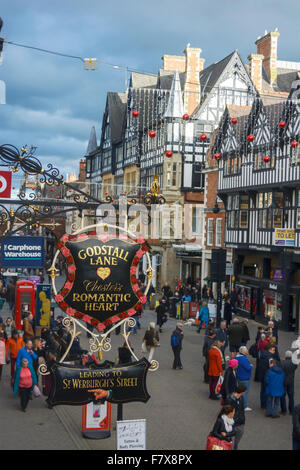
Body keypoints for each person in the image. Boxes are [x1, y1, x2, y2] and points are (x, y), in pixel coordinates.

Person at [225, 384, 247, 450]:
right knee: (232, 441)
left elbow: (242, 410)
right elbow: (226, 413)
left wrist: (242, 419)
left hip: (240, 423)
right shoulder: (230, 400)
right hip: (232, 424)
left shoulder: (241, 398)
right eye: (245, 391)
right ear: (242, 392)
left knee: (237, 440)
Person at [257, 344, 278, 409]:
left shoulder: (262, 354)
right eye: (273, 350)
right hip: (268, 376)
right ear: (269, 350)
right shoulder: (270, 358)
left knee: (262, 390)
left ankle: (262, 404)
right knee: (267, 391)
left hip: (262, 375)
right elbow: (272, 367)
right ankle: (266, 405)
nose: (274, 351)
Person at [235, 346, 253, 411]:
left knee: (239, 392)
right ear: (244, 352)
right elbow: (248, 368)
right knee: (244, 392)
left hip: (239, 377)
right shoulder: (243, 359)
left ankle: (238, 404)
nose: (247, 351)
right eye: (247, 350)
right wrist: (251, 366)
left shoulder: (237, 357)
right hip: (244, 378)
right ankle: (244, 406)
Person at [280, 350, 297, 415]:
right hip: (291, 381)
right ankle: (291, 410)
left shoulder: (282, 362)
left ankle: (284, 410)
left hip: (283, 381)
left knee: (282, 396)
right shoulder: (294, 363)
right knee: (291, 396)